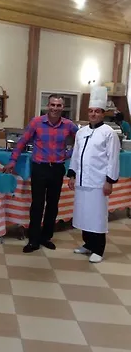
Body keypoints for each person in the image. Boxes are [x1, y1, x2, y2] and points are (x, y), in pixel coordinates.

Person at [3, 94, 78, 253]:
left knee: (53, 205)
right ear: (48, 106)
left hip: (57, 168)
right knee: (37, 204)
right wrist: (12, 161)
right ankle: (34, 240)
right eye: (52, 105)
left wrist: (68, 154)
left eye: (58, 105)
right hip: (39, 168)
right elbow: (22, 142)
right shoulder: (36, 122)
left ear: (62, 107)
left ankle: (46, 237)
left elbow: (81, 141)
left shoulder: (68, 125)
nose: (55, 108)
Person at [67, 86, 120, 263]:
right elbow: (76, 155)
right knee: (84, 215)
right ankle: (88, 244)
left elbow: (113, 159)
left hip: (98, 182)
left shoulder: (109, 133)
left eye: (97, 111)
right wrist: (72, 175)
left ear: (103, 113)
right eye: (91, 111)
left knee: (96, 216)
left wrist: (109, 181)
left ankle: (98, 249)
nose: (93, 114)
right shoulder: (81, 132)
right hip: (82, 181)